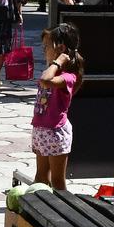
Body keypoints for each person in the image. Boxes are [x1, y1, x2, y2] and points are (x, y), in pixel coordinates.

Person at [32, 23, 84, 189]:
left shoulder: (68, 76)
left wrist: (58, 61)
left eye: (47, 46)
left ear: (60, 49)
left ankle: (63, 212)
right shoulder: (54, 71)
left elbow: (45, 81)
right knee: (40, 177)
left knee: (57, 181)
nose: (44, 50)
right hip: (41, 129)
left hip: (56, 132)